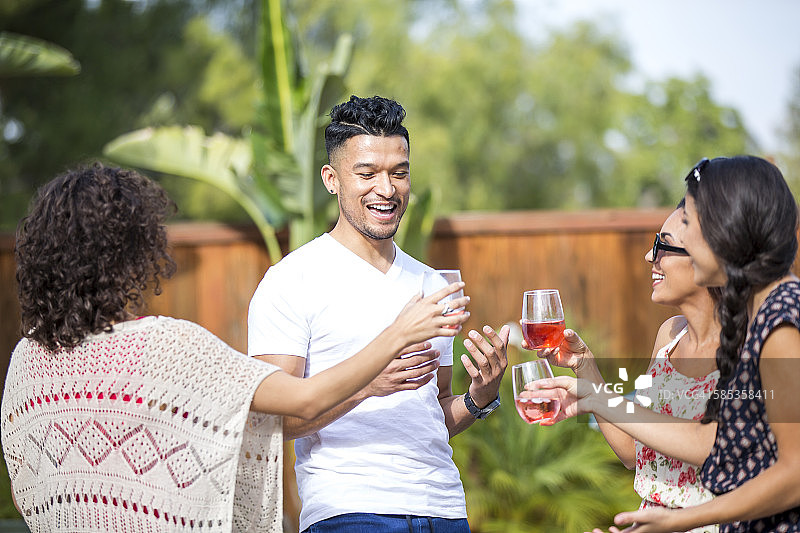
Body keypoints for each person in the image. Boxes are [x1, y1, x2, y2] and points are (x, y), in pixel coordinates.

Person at [0, 163, 469, 533]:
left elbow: (29, 492)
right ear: (136, 252)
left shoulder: (25, 364)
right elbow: (299, 400)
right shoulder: (167, 344)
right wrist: (398, 335)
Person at [248, 95, 509, 533]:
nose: (386, 189)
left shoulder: (432, 284)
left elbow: (432, 413)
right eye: (366, 173)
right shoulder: (290, 281)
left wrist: (479, 398)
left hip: (444, 509)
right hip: (349, 512)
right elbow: (272, 423)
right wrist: (366, 386)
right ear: (331, 179)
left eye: (399, 173)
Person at [528, 155, 800, 532]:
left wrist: (681, 522)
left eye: (686, 223)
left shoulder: (782, 319)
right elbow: (715, 439)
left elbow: (795, 473)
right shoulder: (762, 317)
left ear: (725, 228)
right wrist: (591, 388)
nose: (654, 254)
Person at [525, 202, 720, 533]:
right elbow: (634, 451)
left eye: (662, 245)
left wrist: (595, 399)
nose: (649, 256)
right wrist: (585, 368)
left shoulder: (756, 345)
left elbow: (715, 446)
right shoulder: (670, 337)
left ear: (707, 256)